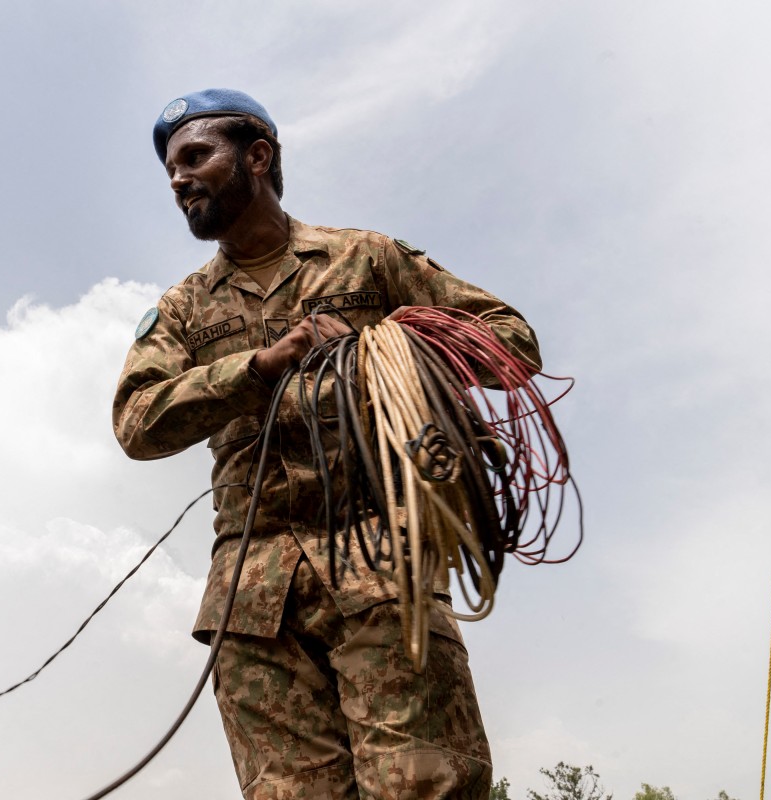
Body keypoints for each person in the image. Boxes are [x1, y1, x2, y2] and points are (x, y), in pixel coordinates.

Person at [113, 88, 542, 800]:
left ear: (257, 157)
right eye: (169, 169)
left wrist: (391, 344)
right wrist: (257, 366)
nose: (178, 179)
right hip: (253, 601)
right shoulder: (184, 308)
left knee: (422, 786)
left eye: (194, 157)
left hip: (380, 566)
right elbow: (137, 422)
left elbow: (511, 341)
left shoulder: (367, 261)